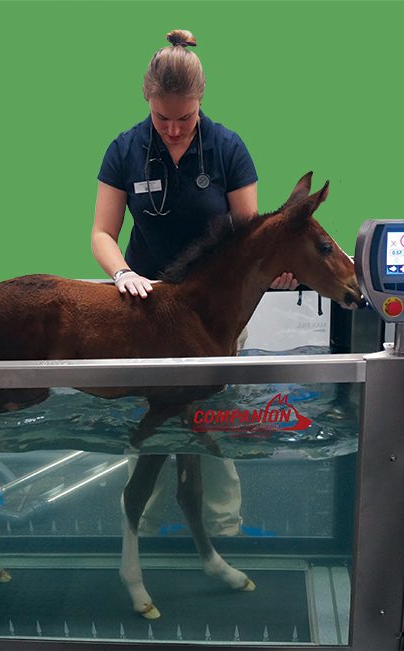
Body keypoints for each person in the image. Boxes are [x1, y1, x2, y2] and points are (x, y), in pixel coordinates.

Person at [92, 29, 298, 536]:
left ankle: (225, 527)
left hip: (213, 317)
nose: (174, 128)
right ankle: (140, 525)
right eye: (163, 118)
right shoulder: (124, 150)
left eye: (185, 118)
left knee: (212, 419)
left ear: (201, 101)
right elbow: (101, 232)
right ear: (148, 100)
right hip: (146, 312)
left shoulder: (228, 149)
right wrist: (121, 272)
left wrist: (276, 271)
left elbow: (247, 239)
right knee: (150, 424)